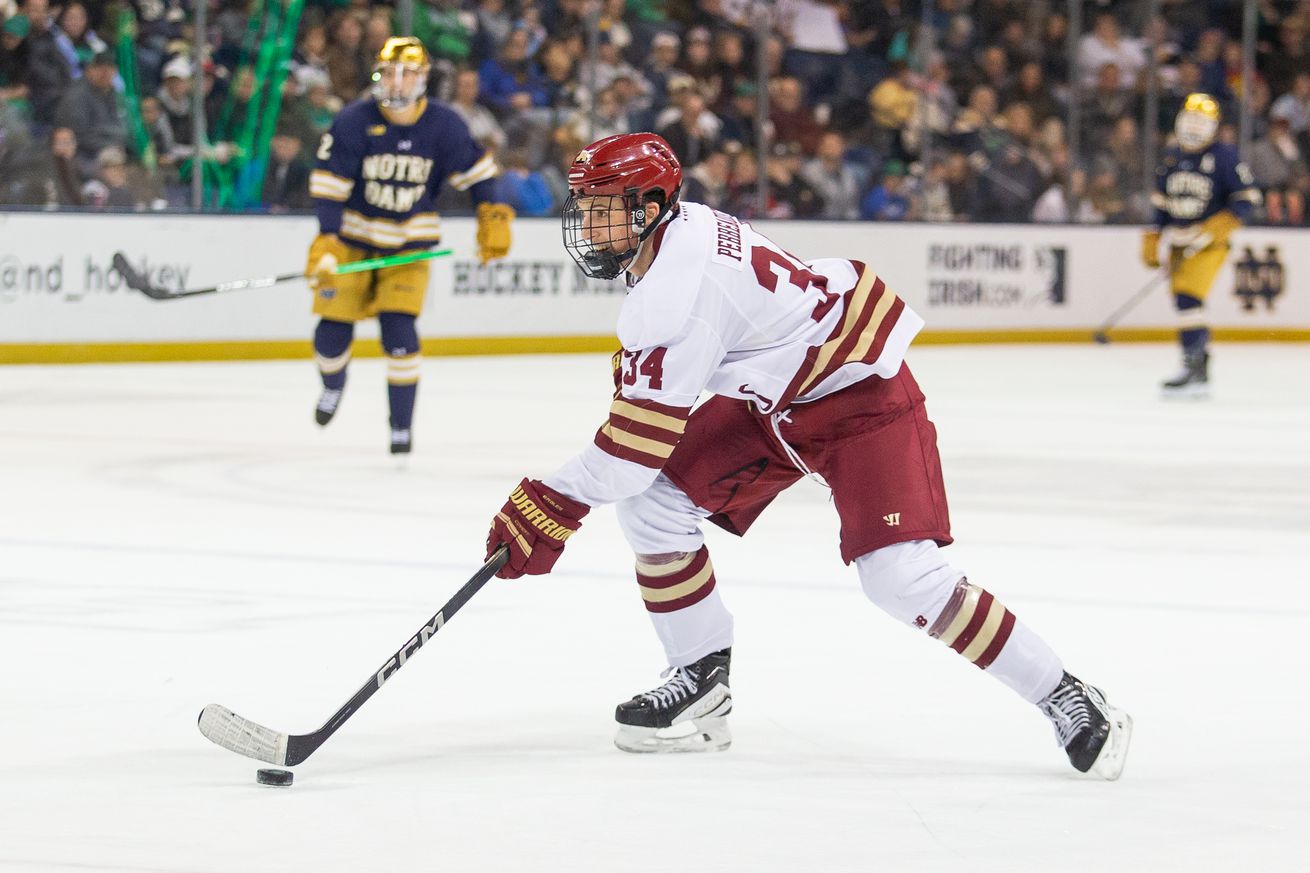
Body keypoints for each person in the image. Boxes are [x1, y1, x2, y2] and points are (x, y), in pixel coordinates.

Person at [482, 132, 1133, 779]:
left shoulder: (677, 296)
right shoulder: (684, 232)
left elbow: (629, 454)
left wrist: (550, 499)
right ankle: (701, 676)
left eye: (606, 208)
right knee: (655, 508)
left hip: (859, 395)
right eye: (586, 207)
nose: (590, 226)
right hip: (778, 397)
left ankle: (1064, 692)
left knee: (900, 577)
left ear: (650, 207)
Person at [307, 36, 514, 454]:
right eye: (388, 73)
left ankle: (400, 425)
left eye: (407, 73)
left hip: (408, 248)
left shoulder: (446, 124)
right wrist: (327, 241)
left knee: (399, 333)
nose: (396, 82)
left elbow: (480, 175)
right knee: (330, 334)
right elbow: (329, 189)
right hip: (352, 241)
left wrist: (490, 214)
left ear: (423, 78)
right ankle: (334, 384)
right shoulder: (352, 121)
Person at [1141, 93, 1260, 398]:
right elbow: (1160, 203)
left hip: (1209, 244)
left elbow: (1247, 199)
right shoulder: (1172, 156)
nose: (1193, 126)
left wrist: (1218, 227)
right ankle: (1198, 364)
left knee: (1188, 298)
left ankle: (1193, 364)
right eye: (1190, 119)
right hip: (1179, 242)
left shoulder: (1224, 156)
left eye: (1200, 120)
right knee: (1185, 304)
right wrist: (1154, 234)